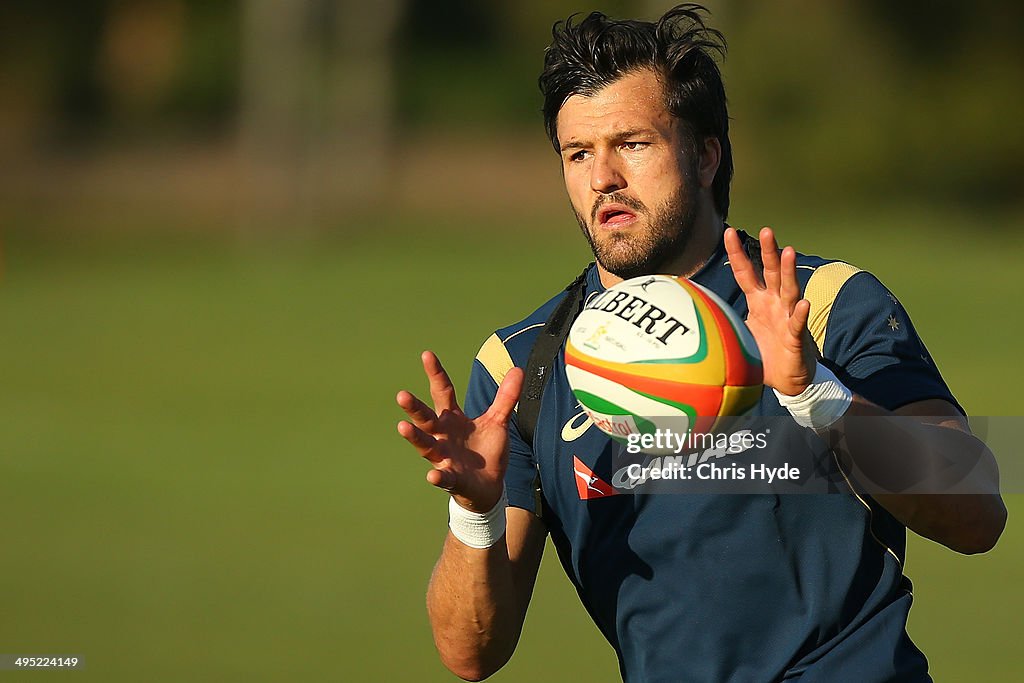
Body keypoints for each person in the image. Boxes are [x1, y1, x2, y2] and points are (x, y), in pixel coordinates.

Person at [395, 5, 1006, 681]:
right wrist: (473, 513)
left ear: (706, 153)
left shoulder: (821, 304)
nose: (602, 178)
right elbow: (470, 652)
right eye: (578, 154)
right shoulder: (521, 367)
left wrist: (814, 395)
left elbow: (977, 512)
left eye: (632, 143)